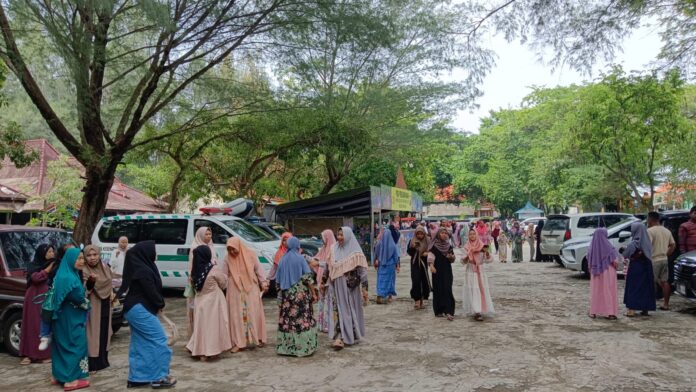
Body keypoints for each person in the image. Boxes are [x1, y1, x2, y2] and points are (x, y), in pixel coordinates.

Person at [118, 241, 176, 389]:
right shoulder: (143, 270)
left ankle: (137, 378)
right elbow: (151, 292)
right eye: (153, 250)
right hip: (139, 309)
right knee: (160, 340)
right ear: (145, 253)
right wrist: (160, 304)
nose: (155, 253)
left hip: (135, 309)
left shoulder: (141, 267)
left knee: (140, 343)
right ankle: (159, 377)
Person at [50, 248, 90, 391]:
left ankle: (58, 375)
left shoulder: (62, 274)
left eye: (82, 258)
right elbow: (79, 299)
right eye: (78, 259)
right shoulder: (71, 279)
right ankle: (71, 380)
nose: (82, 261)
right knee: (76, 345)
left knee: (61, 345)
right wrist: (88, 304)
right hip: (70, 318)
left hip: (59, 317)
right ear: (70, 260)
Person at [326, 226, 369, 350]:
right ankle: (339, 337)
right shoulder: (334, 249)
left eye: (342, 235)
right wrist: (324, 282)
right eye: (338, 234)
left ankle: (348, 336)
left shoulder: (356, 253)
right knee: (337, 310)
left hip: (350, 288)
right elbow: (329, 267)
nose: (339, 237)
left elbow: (363, 272)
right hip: (336, 287)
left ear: (348, 236)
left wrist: (365, 291)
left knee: (349, 311)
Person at [186, 245, 232, 361]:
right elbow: (223, 284)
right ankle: (211, 351)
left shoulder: (195, 271)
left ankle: (198, 350)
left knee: (201, 327)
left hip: (200, 301)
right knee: (213, 327)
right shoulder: (213, 269)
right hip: (214, 301)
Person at [276, 237, 318, 357]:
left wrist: (280, 297)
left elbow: (278, 281)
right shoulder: (300, 258)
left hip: (287, 296)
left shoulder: (282, 259)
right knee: (301, 320)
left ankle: (286, 349)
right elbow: (308, 279)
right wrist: (314, 293)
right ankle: (303, 348)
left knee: (288, 320)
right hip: (300, 296)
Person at [225, 237, 269, 352]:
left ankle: (257, 337)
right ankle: (238, 342)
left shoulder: (251, 254)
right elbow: (223, 275)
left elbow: (259, 269)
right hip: (235, 290)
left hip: (251, 289)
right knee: (237, 316)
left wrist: (263, 282)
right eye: (229, 249)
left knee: (254, 312)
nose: (232, 252)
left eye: (233, 249)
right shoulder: (227, 258)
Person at [20, 244, 55, 365]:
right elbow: (35, 278)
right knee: (32, 325)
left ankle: (43, 355)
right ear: (42, 253)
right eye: (49, 252)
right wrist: (46, 270)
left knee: (44, 324)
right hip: (34, 297)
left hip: (48, 298)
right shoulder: (33, 265)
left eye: (52, 251)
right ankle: (28, 354)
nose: (52, 254)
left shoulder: (55, 265)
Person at [82, 245, 113, 372]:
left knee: (104, 331)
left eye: (95, 255)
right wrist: (91, 282)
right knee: (93, 333)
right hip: (93, 306)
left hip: (105, 304)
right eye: (89, 255)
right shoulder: (83, 270)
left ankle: (103, 361)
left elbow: (110, 281)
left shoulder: (105, 267)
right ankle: (92, 364)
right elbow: (84, 290)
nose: (92, 258)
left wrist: (112, 291)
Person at [186, 227, 216, 338]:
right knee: (196, 310)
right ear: (200, 235)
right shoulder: (195, 247)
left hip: (210, 280)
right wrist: (194, 279)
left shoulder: (211, 246)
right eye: (206, 234)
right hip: (198, 282)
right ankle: (196, 336)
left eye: (210, 234)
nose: (208, 236)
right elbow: (191, 266)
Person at [623, 222, 656, 317]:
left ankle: (631, 310)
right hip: (647, 266)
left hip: (636, 267)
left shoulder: (634, 242)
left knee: (634, 287)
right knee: (646, 287)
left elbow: (626, 254)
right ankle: (645, 309)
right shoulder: (647, 241)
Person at [461, 229, 495, 321]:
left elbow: (489, 260)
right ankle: (476, 311)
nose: (472, 236)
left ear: (476, 235)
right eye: (470, 234)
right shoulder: (466, 246)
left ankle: (480, 310)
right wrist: (468, 255)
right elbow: (462, 261)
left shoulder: (481, 246)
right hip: (471, 271)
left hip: (480, 271)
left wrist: (487, 253)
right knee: (473, 290)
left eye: (474, 234)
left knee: (481, 290)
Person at [587, 228, 620, 320]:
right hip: (609, 273)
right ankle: (610, 313)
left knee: (596, 291)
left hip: (596, 274)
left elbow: (588, 261)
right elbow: (616, 262)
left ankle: (593, 312)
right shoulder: (610, 247)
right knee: (608, 291)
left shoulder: (591, 247)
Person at [647, 212, 676, 311]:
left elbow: (648, 246)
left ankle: (650, 304)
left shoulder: (650, 231)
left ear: (650, 219)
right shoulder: (667, 231)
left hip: (654, 260)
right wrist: (666, 254)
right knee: (665, 282)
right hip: (664, 259)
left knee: (651, 282)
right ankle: (666, 304)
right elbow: (673, 245)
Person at [428, 228, 456, 321]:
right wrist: (431, 266)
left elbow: (452, 259)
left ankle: (449, 311)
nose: (444, 234)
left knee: (447, 288)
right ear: (438, 234)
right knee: (438, 289)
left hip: (447, 270)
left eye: (445, 233)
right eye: (442, 233)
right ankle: (439, 310)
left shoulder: (449, 246)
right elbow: (431, 256)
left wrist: (451, 257)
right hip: (437, 270)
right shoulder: (434, 246)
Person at [313, 229, 336, 333]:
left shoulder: (334, 249)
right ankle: (321, 324)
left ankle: (328, 325)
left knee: (329, 303)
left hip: (329, 280)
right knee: (322, 302)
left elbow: (329, 264)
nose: (322, 240)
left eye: (323, 237)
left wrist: (318, 263)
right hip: (321, 280)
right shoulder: (324, 248)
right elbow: (316, 258)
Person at [407, 226, 431, 310]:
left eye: (421, 234)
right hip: (415, 264)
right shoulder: (412, 240)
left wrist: (427, 253)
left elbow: (431, 251)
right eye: (418, 234)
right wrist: (413, 248)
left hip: (424, 264)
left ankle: (422, 300)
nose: (420, 235)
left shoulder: (428, 240)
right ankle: (416, 300)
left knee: (424, 281)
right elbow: (409, 252)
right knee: (416, 281)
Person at [374, 228, 400, 304]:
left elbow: (376, 254)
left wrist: (375, 262)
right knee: (390, 280)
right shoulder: (393, 245)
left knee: (381, 280)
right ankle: (389, 296)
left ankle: (380, 295)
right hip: (390, 266)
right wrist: (397, 266)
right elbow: (396, 257)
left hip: (381, 265)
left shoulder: (379, 243)